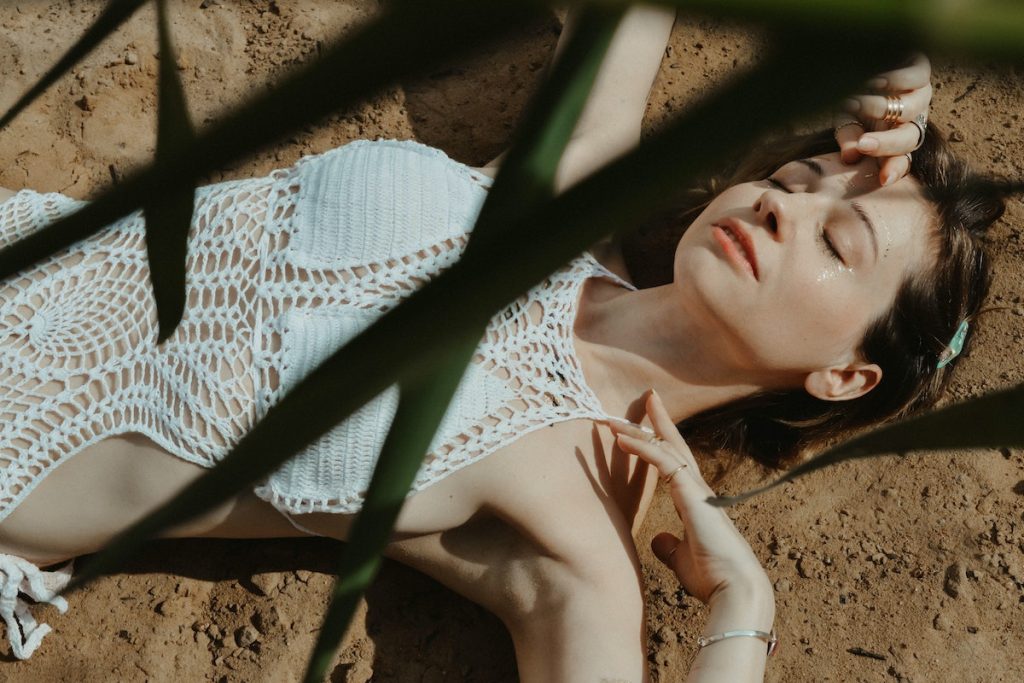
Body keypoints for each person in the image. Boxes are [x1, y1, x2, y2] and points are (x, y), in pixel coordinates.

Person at [0, 4, 1005, 681]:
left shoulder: (578, 540)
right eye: (790, 182)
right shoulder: (569, 192)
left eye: (837, 239)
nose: (781, 209)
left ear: (843, 374)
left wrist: (741, 604)